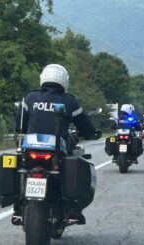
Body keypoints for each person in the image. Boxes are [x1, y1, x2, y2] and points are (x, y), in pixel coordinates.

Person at [14, 64, 101, 225]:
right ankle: (71, 207)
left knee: (22, 166)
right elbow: (84, 124)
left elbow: (19, 124)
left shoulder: (30, 98)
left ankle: (18, 205)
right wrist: (90, 134)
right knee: (70, 162)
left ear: (43, 78)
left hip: (31, 147)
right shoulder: (69, 101)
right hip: (56, 149)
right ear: (64, 81)